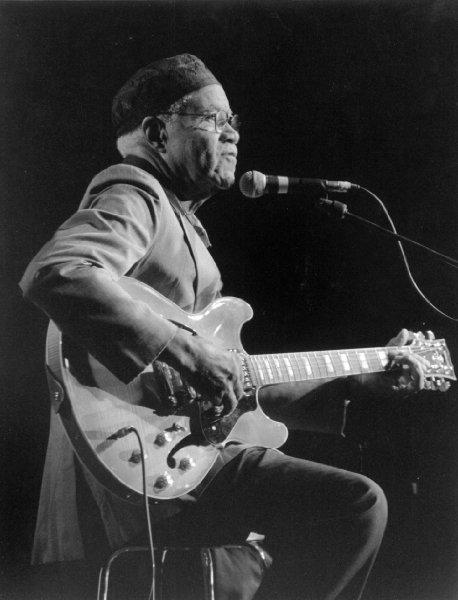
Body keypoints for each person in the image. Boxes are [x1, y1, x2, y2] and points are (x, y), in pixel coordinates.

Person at [20, 54, 429, 599]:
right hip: (141, 463)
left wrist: (360, 380)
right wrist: (186, 351)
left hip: (182, 454)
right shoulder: (135, 193)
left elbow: (237, 385)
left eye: (234, 120)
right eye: (214, 119)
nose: (233, 133)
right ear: (157, 132)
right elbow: (59, 271)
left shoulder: (179, 220)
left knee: (336, 515)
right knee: (354, 506)